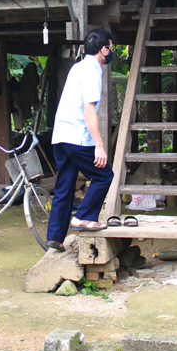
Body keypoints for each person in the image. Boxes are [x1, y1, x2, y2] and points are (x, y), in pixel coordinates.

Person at [45, 28, 115, 252]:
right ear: (103, 49)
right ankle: (84, 216)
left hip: (61, 136)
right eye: (110, 48)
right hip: (77, 136)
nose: (111, 51)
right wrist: (99, 146)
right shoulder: (93, 70)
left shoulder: (77, 67)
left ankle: (55, 237)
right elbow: (89, 112)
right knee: (104, 175)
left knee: (65, 185)